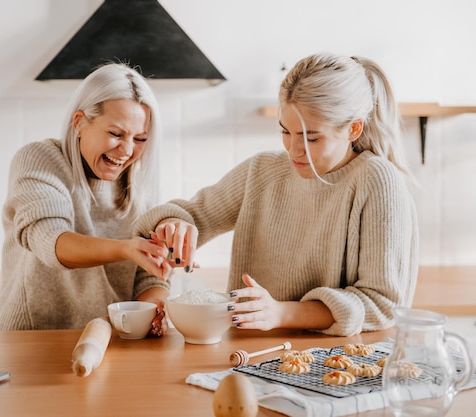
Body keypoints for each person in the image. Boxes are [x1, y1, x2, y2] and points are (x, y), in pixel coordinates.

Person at [135, 53, 419, 337]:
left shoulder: (376, 180)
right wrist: (173, 225)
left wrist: (281, 313)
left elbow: (382, 304)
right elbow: (189, 215)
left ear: (353, 129)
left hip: (333, 363)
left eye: (311, 138)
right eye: (286, 131)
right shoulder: (262, 171)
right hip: (247, 354)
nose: (294, 150)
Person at [0, 63, 172, 333]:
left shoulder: (140, 186)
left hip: (108, 341)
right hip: (30, 339)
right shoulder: (40, 160)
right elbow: (50, 241)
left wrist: (154, 307)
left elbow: (147, 277)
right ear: (79, 123)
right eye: (115, 134)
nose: (127, 150)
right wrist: (125, 249)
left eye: (140, 138)